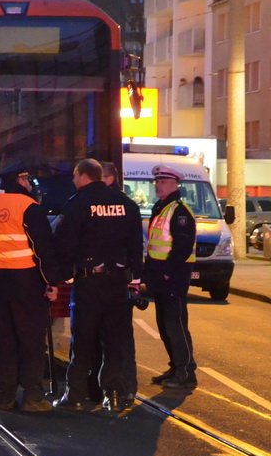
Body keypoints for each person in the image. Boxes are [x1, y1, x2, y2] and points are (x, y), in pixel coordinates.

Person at [52, 159, 144, 414]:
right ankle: (114, 395)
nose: (72, 180)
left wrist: (58, 276)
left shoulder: (77, 204)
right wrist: (136, 279)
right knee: (116, 340)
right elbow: (137, 246)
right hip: (118, 282)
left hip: (89, 282)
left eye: (74, 175)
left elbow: (64, 243)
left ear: (84, 176)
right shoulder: (127, 205)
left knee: (83, 340)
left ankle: (77, 395)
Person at [0, 164, 61, 413]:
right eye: (26, 178)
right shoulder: (28, 207)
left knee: (4, 340)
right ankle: (32, 397)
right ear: (19, 180)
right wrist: (51, 282)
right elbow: (42, 250)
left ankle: (4, 396)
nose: (30, 182)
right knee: (31, 341)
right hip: (27, 283)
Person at [143, 164, 198, 389]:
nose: (158, 185)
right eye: (157, 181)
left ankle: (186, 372)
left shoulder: (180, 211)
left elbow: (182, 248)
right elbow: (154, 247)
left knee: (175, 325)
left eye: (163, 181)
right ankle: (176, 367)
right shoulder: (162, 207)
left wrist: (167, 273)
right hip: (161, 277)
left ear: (175, 184)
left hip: (173, 277)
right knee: (165, 325)